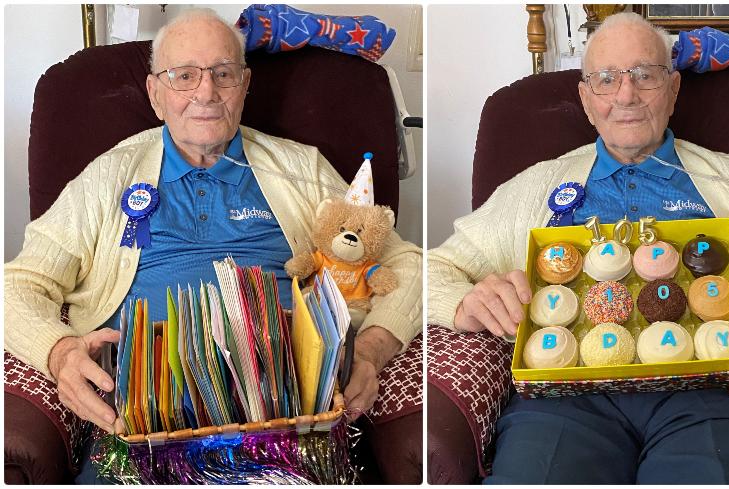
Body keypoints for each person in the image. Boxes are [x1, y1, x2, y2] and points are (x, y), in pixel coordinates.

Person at [5, 8, 421, 483]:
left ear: (244, 87)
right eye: (183, 76)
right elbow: (18, 283)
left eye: (222, 74)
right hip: (144, 421)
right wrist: (59, 354)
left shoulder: (301, 169)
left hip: (287, 416)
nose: (205, 92)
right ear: (155, 94)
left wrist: (369, 350)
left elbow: (405, 263)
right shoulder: (107, 177)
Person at [428, 12, 729, 484]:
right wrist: (465, 302)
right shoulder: (535, 186)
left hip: (718, 393)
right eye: (606, 79)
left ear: (673, 89)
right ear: (586, 99)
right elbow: (434, 267)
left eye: (645, 75)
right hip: (566, 398)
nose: (626, 95)